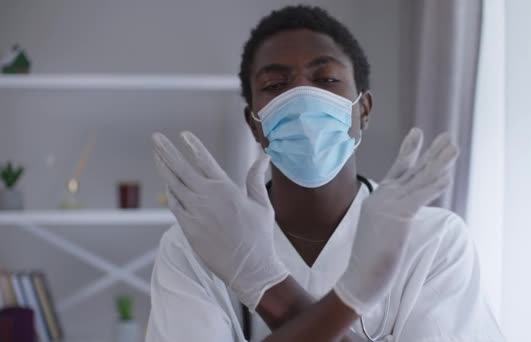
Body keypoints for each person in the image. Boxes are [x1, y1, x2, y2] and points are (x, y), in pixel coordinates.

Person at [146, 5, 504, 342]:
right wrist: (347, 303)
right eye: (275, 85)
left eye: (327, 78)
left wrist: (270, 290)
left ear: (362, 110)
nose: (302, 97)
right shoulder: (195, 247)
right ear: (254, 123)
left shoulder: (433, 240)